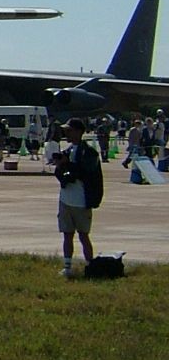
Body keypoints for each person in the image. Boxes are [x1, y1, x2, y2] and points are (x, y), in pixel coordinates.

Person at [54, 117, 103, 277]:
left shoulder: (89, 152)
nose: (66, 133)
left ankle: (91, 266)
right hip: (65, 199)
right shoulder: (67, 151)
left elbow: (84, 172)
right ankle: (67, 266)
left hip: (81, 201)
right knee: (67, 234)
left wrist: (67, 164)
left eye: (69, 130)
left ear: (79, 132)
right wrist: (60, 165)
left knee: (83, 235)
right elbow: (62, 175)